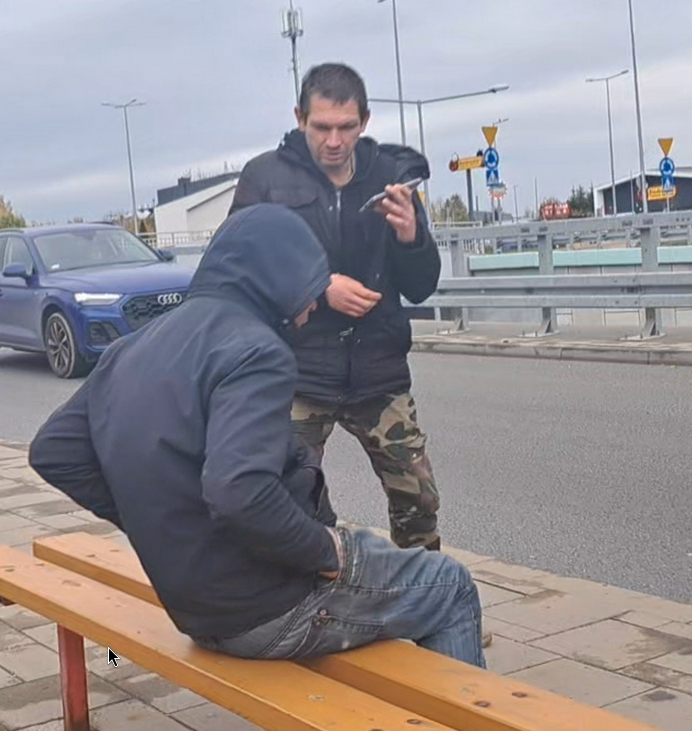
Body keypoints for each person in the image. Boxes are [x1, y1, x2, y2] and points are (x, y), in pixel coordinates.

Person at [27, 204, 486, 668]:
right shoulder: (255, 350)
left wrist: (159, 523)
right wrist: (325, 553)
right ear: (276, 279)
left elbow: (54, 451)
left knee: (385, 566)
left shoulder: (132, 346)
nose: (313, 305)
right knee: (450, 585)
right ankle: (465, 703)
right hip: (270, 607)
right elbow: (237, 490)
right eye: (309, 286)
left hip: (194, 606)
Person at [228, 62, 446, 553]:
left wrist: (411, 238)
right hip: (298, 372)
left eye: (346, 127)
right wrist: (317, 286)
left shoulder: (390, 177)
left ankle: (426, 594)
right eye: (321, 127)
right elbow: (237, 266)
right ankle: (307, 592)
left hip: (378, 371)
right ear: (299, 118)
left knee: (419, 501)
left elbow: (422, 286)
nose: (334, 141)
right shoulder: (264, 179)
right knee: (287, 502)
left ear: (364, 121)